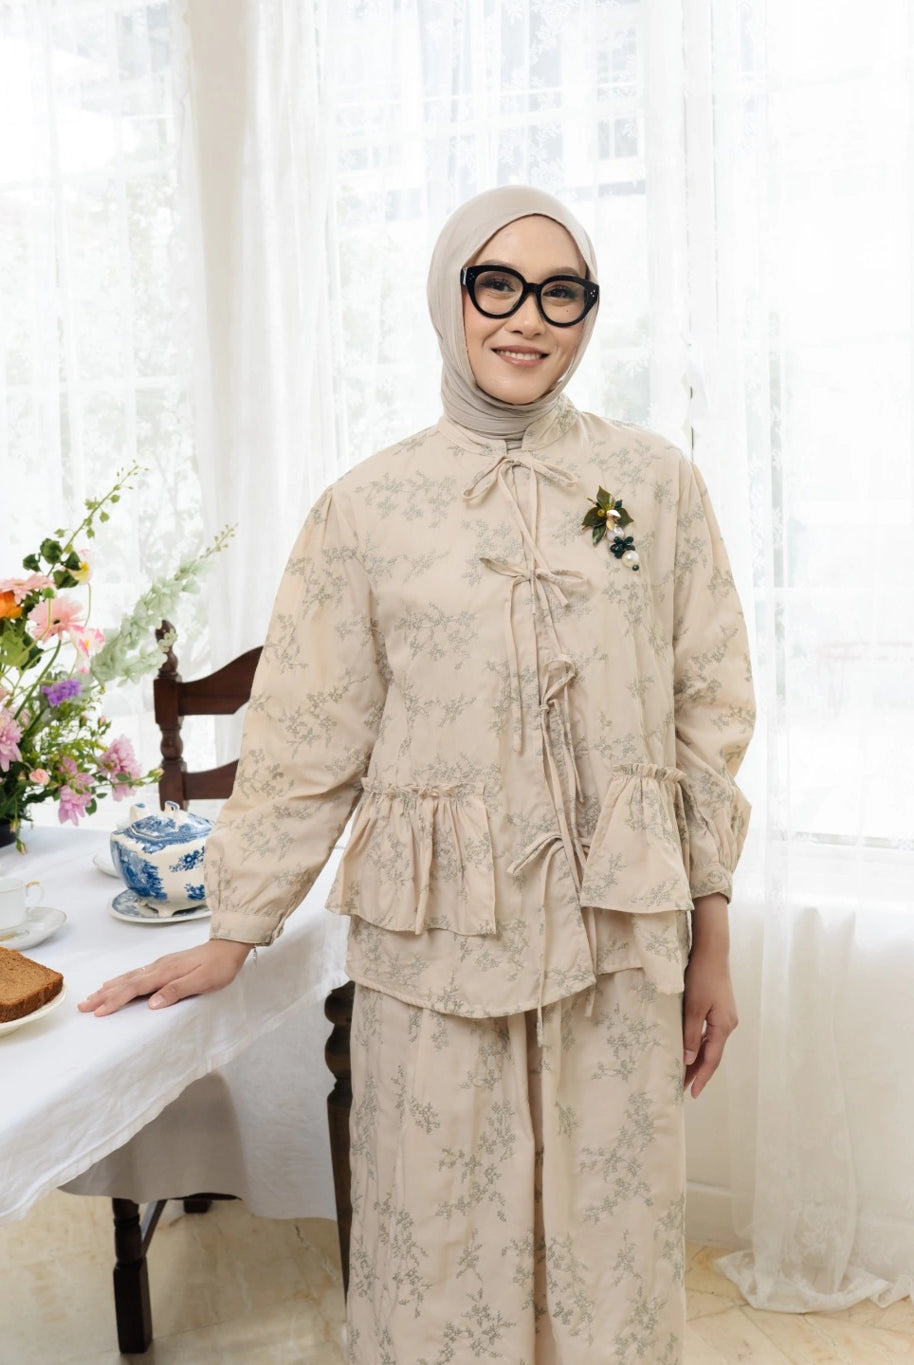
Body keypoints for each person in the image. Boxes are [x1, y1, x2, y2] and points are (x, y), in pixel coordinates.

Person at [80, 185, 755, 1364]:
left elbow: (708, 710)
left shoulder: (653, 487)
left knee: (609, 1254)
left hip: (619, 934)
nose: (526, 319)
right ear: (450, 297)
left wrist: (711, 934)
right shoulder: (365, 509)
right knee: (440, 1252)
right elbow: (304, 736)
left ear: (589, 314)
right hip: (436, 942)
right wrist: (234, 927)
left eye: (561, 293)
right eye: (495, 285)